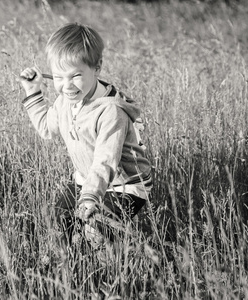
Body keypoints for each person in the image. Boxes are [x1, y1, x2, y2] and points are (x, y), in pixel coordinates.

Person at [18, 23, 152, 250]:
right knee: (58, 222)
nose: (67, 86)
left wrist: (90, 198)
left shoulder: (110, 111)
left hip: (125, 185)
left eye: (76, 76)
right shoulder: (65, 102)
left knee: (95, 230)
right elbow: (46, 128)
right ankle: (67, 269)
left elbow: (105, 160)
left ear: (97, 68)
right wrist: (33, 92)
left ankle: (122, 267)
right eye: (59, 77)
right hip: (87, 179)